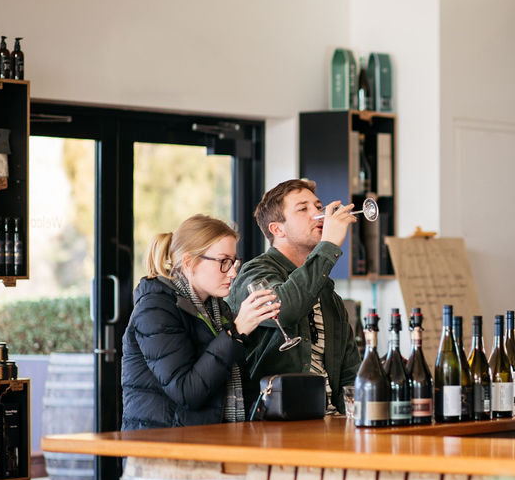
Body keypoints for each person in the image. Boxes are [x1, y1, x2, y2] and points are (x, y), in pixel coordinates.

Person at [122, 214, 280, 430]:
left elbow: (233, 379)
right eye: (224, 262)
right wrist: (235, 333)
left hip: (210, 440)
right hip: (161, 449)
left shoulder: (217, 309)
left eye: (234, 262)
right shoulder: (155, 309)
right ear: (189, 262)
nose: (233, 272)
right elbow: (187, 392)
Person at [226, 179, 362, 415]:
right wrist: (329, 245)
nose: (318, 215)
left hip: (331, 424)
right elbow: (283, 308)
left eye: (318, 207)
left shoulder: (329, 295)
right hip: (274, 427)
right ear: (277, 229)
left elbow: (351, 372)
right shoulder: (254, 273)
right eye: (303, 209)